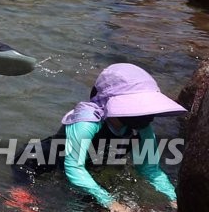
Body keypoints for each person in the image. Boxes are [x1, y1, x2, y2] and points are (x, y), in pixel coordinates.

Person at [14, 63, 185, 211]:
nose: (149, 116)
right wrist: (109, 201)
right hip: (38, 161)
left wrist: (173, 197)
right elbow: (74, 167)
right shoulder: (87, 122)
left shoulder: (141, 128)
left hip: (90, 163)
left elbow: (149, 169)